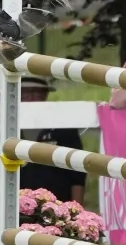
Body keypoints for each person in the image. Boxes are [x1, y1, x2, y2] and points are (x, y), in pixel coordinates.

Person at [17, 74, 86, 204]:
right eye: (25, 92)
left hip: (57, 206)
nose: (31, 97)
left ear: (45, 95)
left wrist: (77, 211)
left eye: (36, 92)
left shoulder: (62, 125)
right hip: (15, 205)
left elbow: (77, 173)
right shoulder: (6, 125)